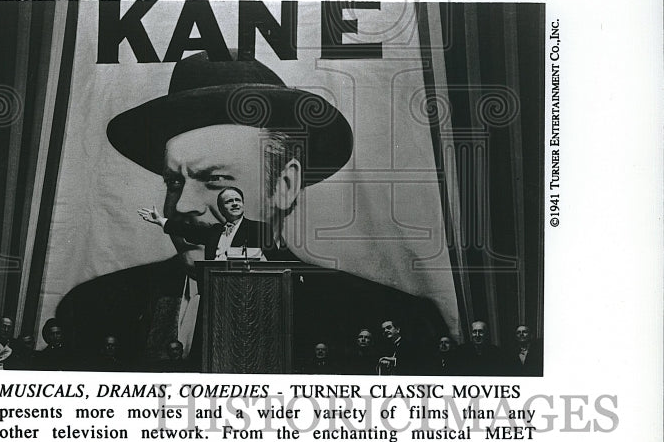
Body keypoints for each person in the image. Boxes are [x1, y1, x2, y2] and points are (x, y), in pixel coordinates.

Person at [56, 52, 447, 371]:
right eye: (174, 182)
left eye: (214, 180)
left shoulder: (391, 319)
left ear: (285, 185)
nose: (184, 205)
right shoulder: (93, 311)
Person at [139, 186, 281, 260]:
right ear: (221, 208)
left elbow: (276, 260)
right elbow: (187, 230)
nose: (235, 204)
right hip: (214, 293)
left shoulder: (258, 228)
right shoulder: (214, 231)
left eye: (238, 200)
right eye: (229, 201)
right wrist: (161, 221)